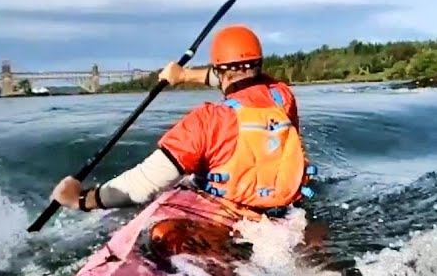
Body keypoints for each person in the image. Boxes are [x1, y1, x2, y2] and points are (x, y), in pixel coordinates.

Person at [49, 25, 315, 223]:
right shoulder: (281, 96)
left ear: (220, 70)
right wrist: (184, 75)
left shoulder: (206, 121)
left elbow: (144, 184)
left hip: (228, 223)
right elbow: (241, 78)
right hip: (288, 218)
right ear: (259, 65)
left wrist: (81, 200)